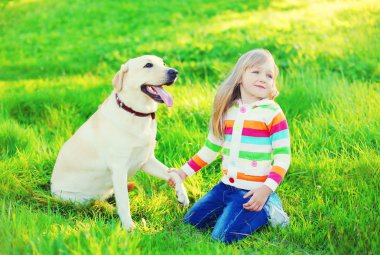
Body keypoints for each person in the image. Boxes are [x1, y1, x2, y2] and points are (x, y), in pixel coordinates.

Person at [169, 49, 291, 244]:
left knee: (222, 237)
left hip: (253, 192)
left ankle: (268, 207)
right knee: (191, 222)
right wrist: (183, 173)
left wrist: (266, 190)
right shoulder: (228, 109)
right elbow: (210, 149)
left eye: (269, 75)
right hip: (225, 187)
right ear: (240, 76)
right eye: (256, 72)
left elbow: (283, 158)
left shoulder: (272, 112)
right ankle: (232, 209)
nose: (263, 78)